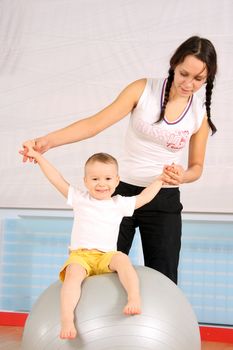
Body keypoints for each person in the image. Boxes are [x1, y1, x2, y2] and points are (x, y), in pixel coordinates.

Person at [20, 36, 217, 285]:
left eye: (198, 79)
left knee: (164, 278)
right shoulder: (143, 89)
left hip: (163, 198)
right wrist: (46, 142)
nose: (189, 83)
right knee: (100, 270)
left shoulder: (199, 114)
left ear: (207, 78)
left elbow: (196, 168)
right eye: (183, 73)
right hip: (120, 194)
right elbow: (94, 124)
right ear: (174, 65)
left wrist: (183, 175)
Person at [21, 145, 163, 339]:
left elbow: (144, 197)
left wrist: (161, 180)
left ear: (117, 181)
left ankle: (134, 298)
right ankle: (67, 319)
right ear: (85, 181)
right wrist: (38, 157)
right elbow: (56, 178)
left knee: (123, 260)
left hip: (107, 256)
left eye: (107, 178)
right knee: (72, 276)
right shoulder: (79, 198)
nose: (101, 184)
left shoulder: (119, 203)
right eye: (95, 179)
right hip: (81, 255)